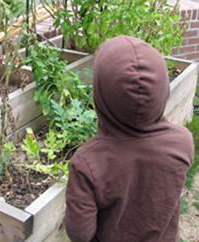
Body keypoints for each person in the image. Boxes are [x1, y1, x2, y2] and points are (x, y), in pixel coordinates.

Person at [63, 35, 194, 242]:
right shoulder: (182, 142)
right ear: (163, 88)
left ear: (101, 94)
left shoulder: (87, 163)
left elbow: (80, 233)